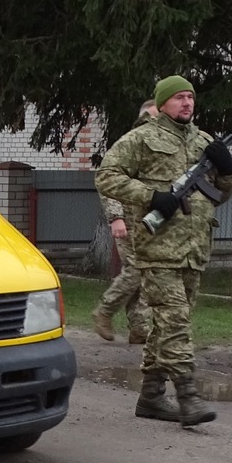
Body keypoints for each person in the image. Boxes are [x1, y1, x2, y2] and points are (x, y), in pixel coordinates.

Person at [95, 75, 232, 425]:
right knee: (175, 322)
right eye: (179, 98)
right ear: (162, 104)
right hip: (157, 247)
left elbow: (221, 194)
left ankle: (151, 397)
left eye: (190, 97)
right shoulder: (141, 138)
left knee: (166, 324)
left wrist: (229, 169)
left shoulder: (205, 141)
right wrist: (151, 196)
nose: (187, 103)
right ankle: (189, 397)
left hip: (193, 248)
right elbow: (107, 176)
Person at [93, 101, 153, 345]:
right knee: (137, 268)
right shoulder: (132, 142)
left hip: (151, 219)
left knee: (145, 272)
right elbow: (108, 181)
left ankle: (139, 327)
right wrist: (116, 217)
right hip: (128, 217)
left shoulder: (161, 145)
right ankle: (105, 310)